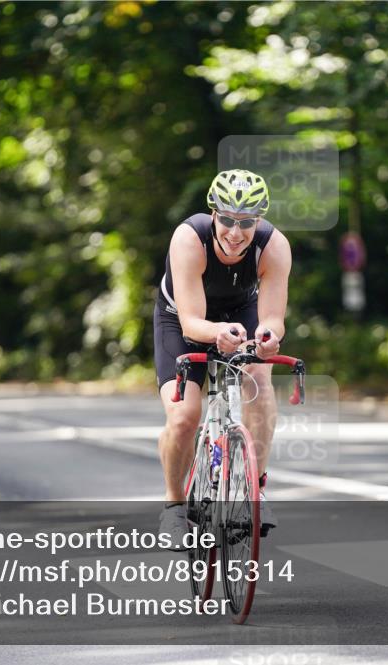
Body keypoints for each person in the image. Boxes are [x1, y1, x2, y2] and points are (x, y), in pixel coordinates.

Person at [154, 169, 292, 550]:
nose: (235, 232)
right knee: (184, 416)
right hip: (182, 320)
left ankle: (255, 490)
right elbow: (191, 321)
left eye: (246, 222)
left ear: (259, 220)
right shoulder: (189, 238)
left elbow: (273, 318)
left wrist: (267, 337)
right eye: (228, 219)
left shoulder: (274, 246)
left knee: (260, 380)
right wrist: (217, 333)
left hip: (240, 310)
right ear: (213, 213)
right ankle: (174, 507)